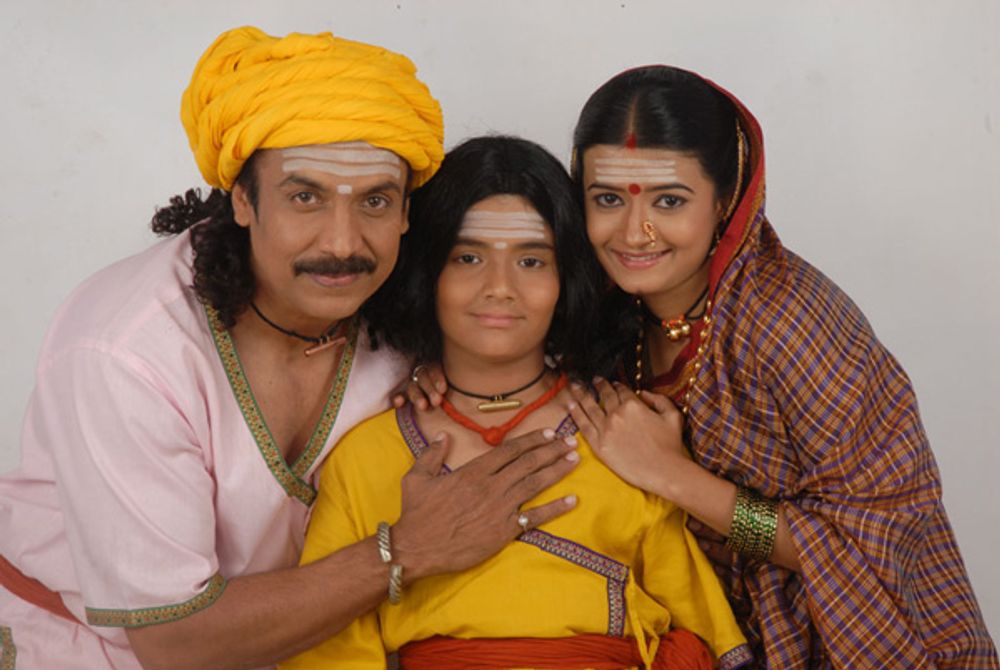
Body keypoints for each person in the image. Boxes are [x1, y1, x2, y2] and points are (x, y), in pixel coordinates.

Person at [0, 27, 579, 670]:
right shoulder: (126, 351)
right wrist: (407, 549)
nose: (343, 242)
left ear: (406, 213)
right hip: (78, 649)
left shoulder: (398, 314)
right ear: (243, 200)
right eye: (305, 197)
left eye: (375, 201)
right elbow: (173, 642)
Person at [407, 67, 998, 668]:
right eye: (608, 199)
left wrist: (673, 476)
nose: (635, 233)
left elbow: (875, 544)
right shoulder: (612, 302)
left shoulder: (786, 324)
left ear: (725, 200)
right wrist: (433, 368)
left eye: (669, 201)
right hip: (711, 637)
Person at [282, 136, 754, 670]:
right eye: (468, 258)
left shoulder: (621, 436)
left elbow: (703, 629)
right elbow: (329, 649)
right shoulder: (366, 457)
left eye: (531, 260)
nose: (500, 287)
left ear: (566, 279)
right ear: (427, 273)